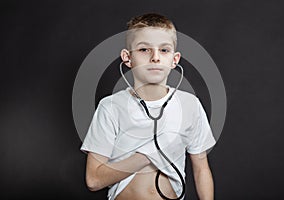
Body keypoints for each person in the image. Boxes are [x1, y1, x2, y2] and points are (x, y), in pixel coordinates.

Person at [80, 13, 216, 200]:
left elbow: (201, 170)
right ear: (127, 58)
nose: (155, 58)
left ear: (174, 60)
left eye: (164, 50)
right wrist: (147, 156)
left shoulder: (190, 105)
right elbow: (93, 180)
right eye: (144, 49)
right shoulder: (110, 107)